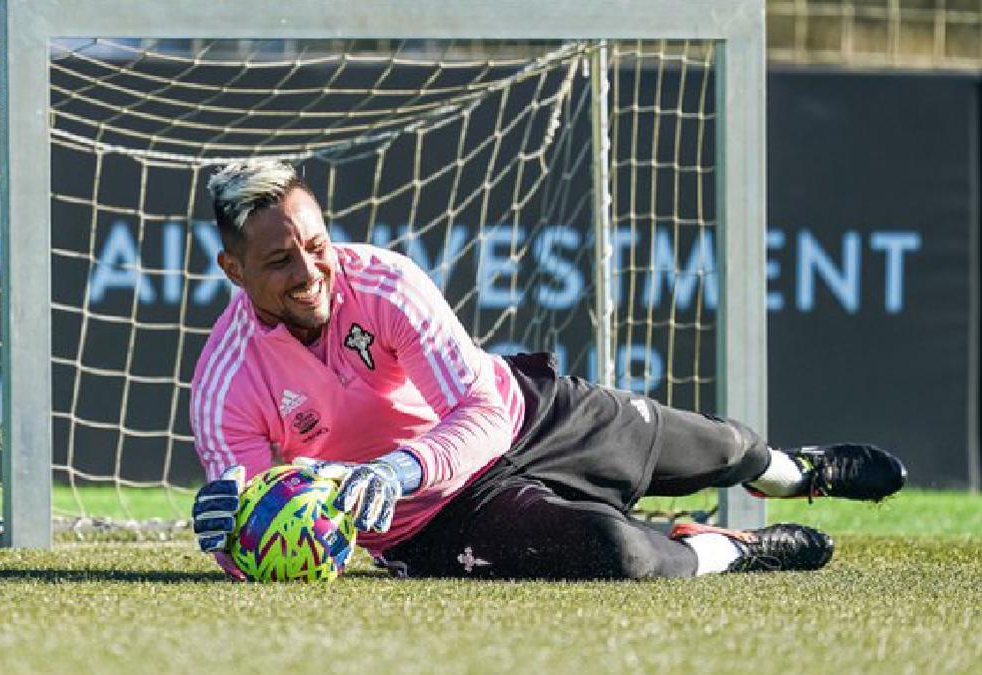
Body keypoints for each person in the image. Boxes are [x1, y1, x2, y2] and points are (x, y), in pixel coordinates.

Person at [189, 159, 906, 580]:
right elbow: (258, 529)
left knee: (724, 447)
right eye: (280, 260)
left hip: (530, 415)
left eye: (316, 245)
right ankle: (730, 547)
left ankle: (795, 472)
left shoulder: (384, 283)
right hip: (431, 522)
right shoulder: (224, 382)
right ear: (233, 267)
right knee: (622, 553)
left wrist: (396, 467)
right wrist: (230, 539)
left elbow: (482, 415)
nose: (311, 271)